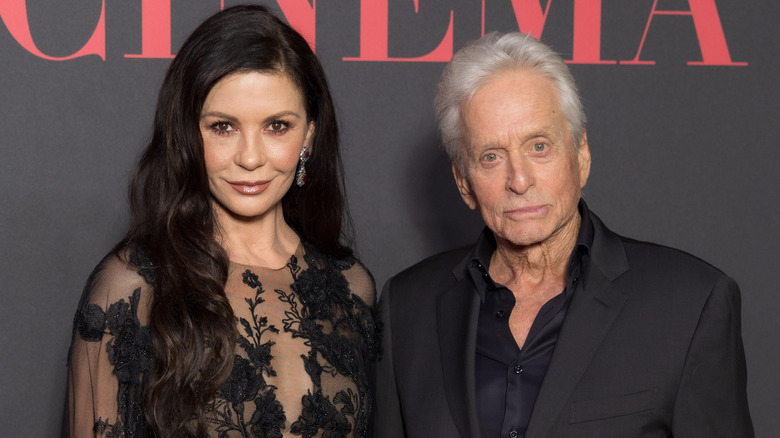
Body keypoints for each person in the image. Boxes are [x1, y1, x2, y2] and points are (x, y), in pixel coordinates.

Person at [373, 32, 753, 438]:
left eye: (539, 146)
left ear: (581, 154)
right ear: (464, 182)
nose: (518, 180)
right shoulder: (406, 309)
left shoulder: (690, 303)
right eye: (491, 157)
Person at [64, 5, 380, 437]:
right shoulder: (131, 287)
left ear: (308, 134)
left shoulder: (351, 288)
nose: (250, 158)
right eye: (223, 127)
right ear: (188, 133)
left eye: (277, 126)